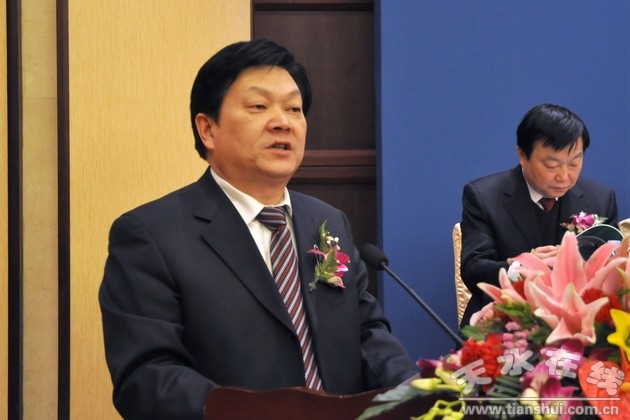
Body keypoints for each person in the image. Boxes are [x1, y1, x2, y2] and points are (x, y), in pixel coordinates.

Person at [99, 39, 417, 419]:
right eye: (258, 106)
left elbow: (367, 333)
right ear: (207, 129)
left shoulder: (328, 222)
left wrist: (418, 395)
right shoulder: (151, 235)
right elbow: (147, 377)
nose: (283, 122)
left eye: (294, 109)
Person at [460, 103, 618, 327]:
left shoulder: (601, 199)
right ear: (522, 155)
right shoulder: (484, 196)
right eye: (552, 165)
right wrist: (521, 269)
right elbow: (473, 269)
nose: (564, 176)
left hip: (581, 323)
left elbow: (614, 269)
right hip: (505, 319)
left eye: (574, 163)